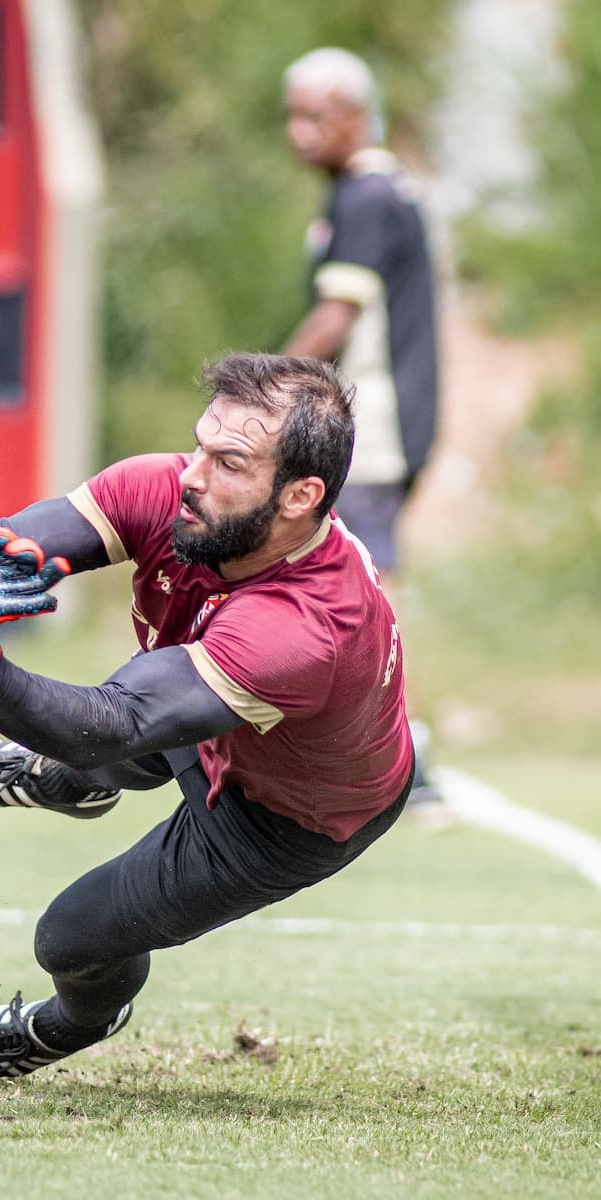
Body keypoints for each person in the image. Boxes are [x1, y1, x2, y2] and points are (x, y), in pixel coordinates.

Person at [0, 353, 415, 1083]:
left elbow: (113, 724)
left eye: (229, 462)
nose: (192, 474)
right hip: (208, 713)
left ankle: (68, 1024)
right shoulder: (173, 491)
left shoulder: (308, 627)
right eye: (200, 445)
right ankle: (65, 779)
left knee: (69, 939)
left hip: (290, 814)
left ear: (299, 495)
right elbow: (7, 544)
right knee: (119, 734)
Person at [281, 47, 442, 809]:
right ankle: (379, 754)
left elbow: (337, 317)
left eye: (315, 115)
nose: (299, 132)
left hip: (372, 425)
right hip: (381, 421)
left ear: (355, 114)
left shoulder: (368, 195)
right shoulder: (372, 191)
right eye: (292, 116)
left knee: (369, 587)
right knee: (350, 582)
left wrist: (260, 388)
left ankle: (410, 762)